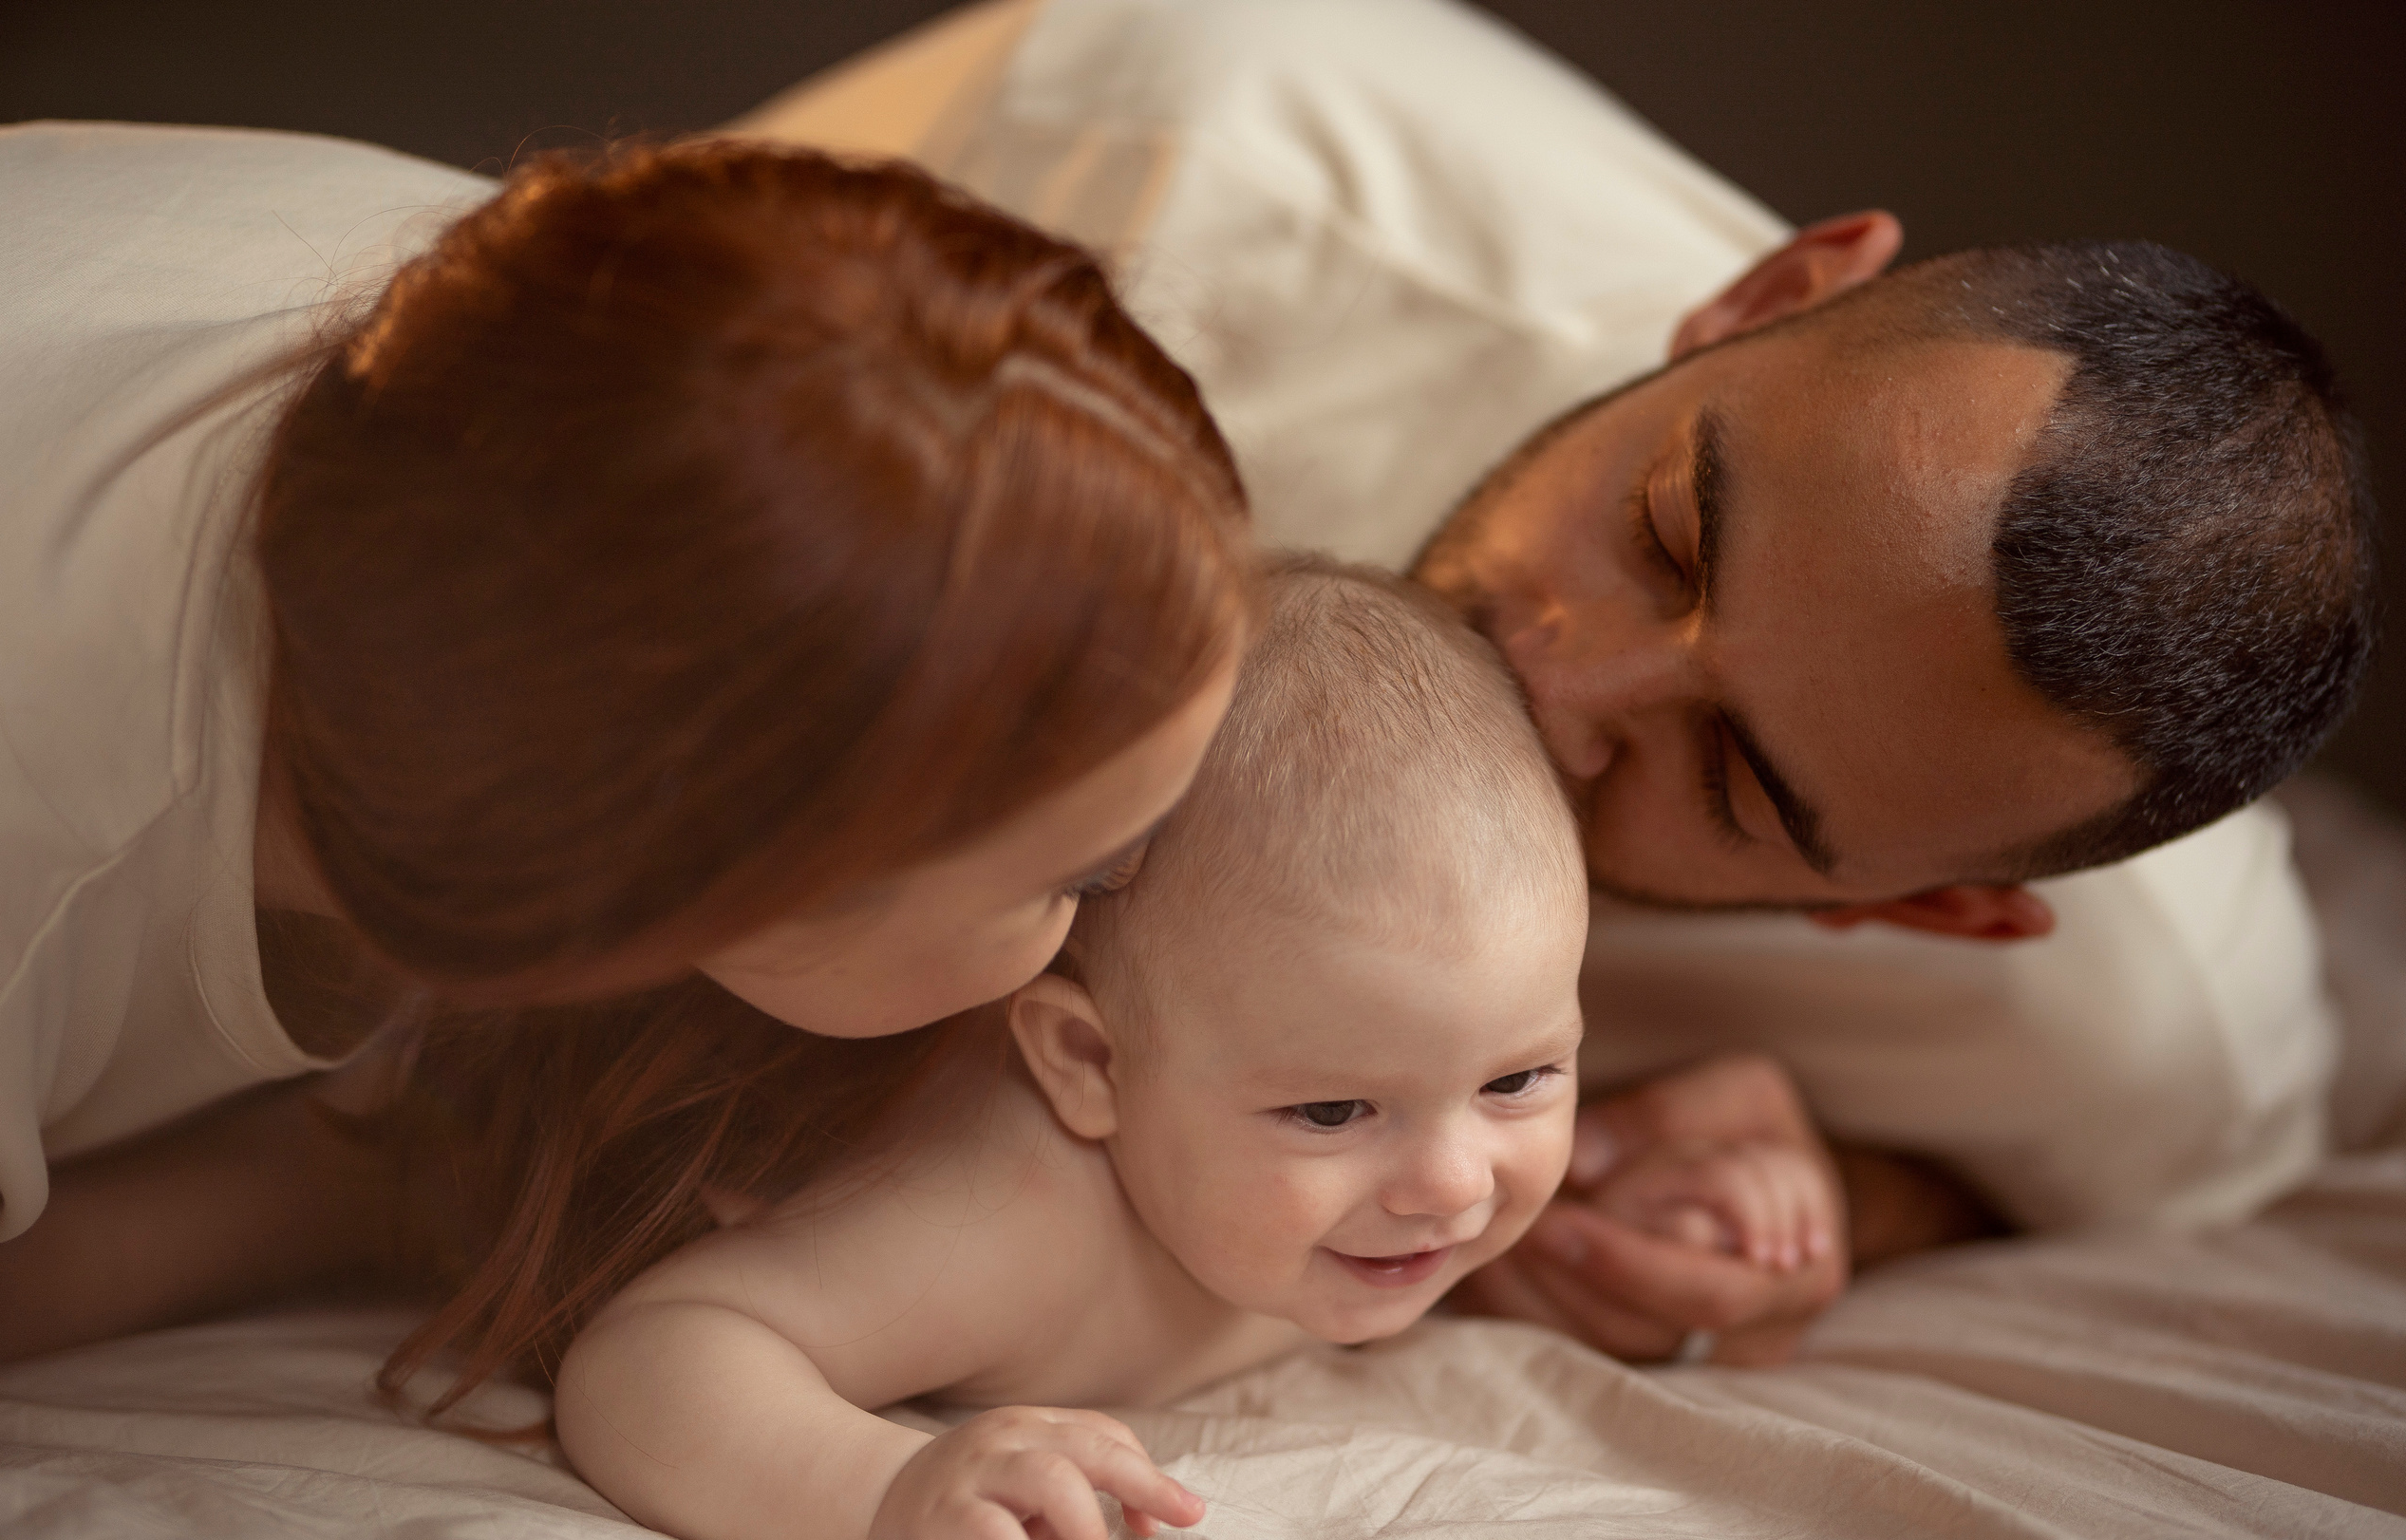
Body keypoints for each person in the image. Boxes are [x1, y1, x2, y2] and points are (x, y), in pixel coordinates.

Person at [736, 0, 2382, 1362]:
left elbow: (2166, 1167)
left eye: (1732, 778)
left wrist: (1850, 1195)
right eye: (1666, 533)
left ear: (1927, 911)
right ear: (1764, 299)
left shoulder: (2155, 1021)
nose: (1553, 667)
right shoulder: (1186, 150)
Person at [0, 133, 1254, 1363]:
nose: (1143, 886)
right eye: (1080, 878)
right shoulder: (24, 852)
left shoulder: (588, 325)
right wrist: (340, 1185)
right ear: (739, 874)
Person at [537, 560, 1842, 1540]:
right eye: (1332, 1110)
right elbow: (656, 1356)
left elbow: (1538, 1220)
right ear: (1089, 1064)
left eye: (1520, 1079)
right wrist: (882, 1492)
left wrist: (1694, 1211)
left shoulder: (1368, 1164)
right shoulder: (1012, 1217)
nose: (1455, 1182)